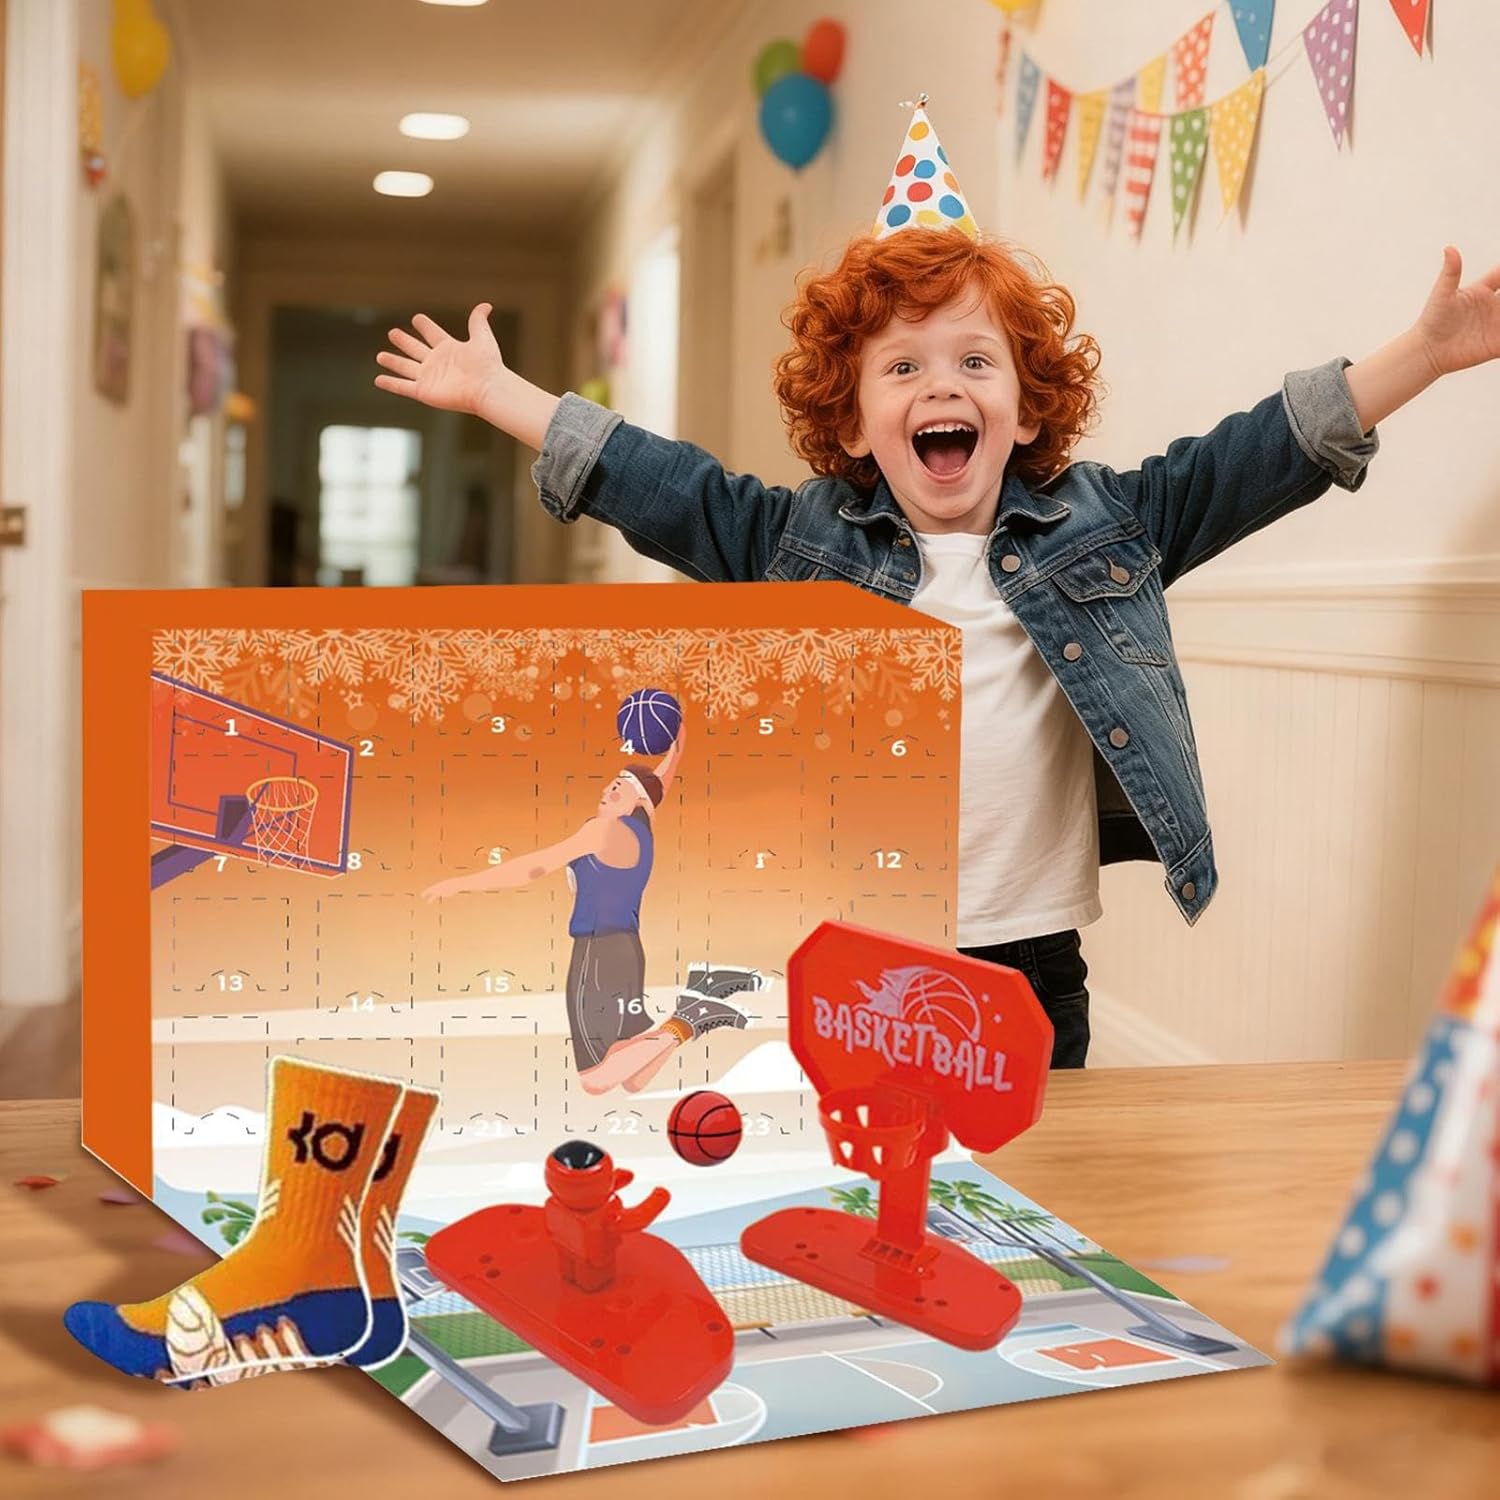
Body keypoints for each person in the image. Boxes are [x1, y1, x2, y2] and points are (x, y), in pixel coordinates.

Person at [380, 102, 1500, 1069]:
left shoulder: (1110, 524)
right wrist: (500, 396)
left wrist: (1424, 351)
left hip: (1030, 961)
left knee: (1028, 1187)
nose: (940, 387)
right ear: (853, 420)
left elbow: (1255, 457)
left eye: (974, 361)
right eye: (903, 368)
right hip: (854, 945)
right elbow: (661, 484)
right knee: (868, 1185)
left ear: (1025, 403)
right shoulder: (795, 542)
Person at [422, 724, 748, 1093]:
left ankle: (691, 1018)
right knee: (633, 1077)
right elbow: (657, 786)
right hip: (627, 952)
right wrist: (677, 749)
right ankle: (693, 1005)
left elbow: (534, 867)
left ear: (636, 800)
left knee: (594, 1079)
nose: (607, 790)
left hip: (596, 956)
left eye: (618, 788)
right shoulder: (642, 827)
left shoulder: (602, 831)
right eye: (609, 785)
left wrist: (461, 883)